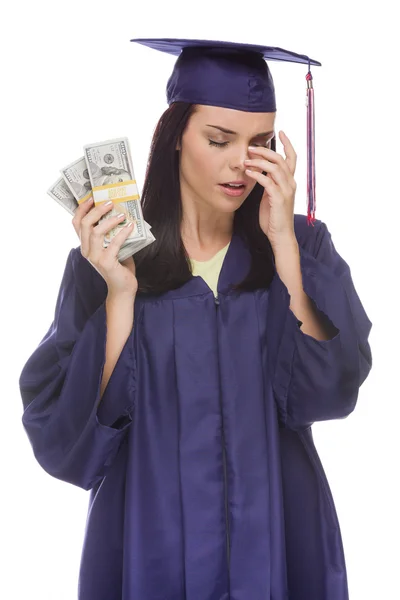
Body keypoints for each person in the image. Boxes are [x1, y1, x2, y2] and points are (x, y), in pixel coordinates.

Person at [19, 39, 373, 600]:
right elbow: (66, 441)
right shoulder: (110, 258)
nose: (240, 162)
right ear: (176, 135)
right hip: (148, 542)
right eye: (218, 139)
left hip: (277, 538)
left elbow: (332, 392)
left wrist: (284, 246)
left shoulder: (305, 246)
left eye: (260, 144)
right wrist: (120, 295)